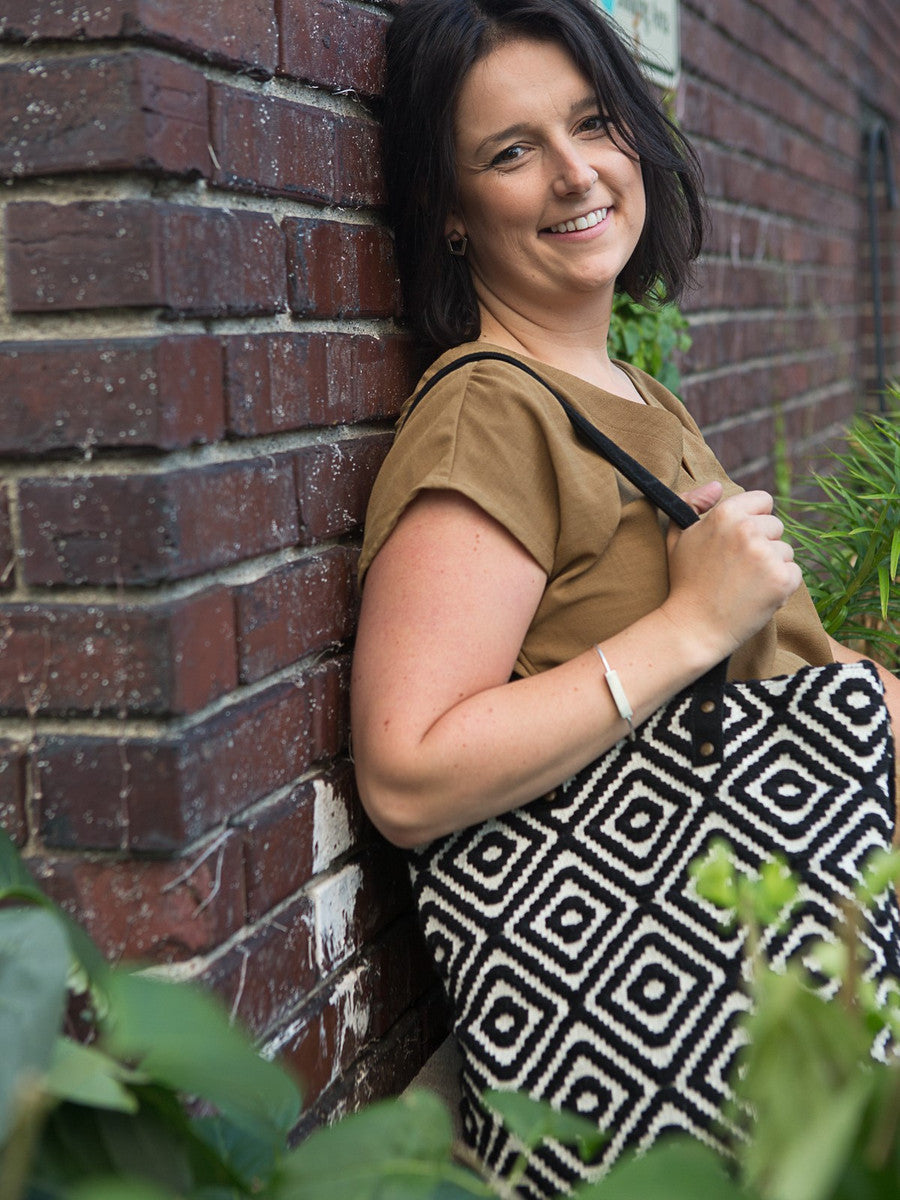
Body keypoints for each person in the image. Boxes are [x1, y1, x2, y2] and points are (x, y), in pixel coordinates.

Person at [350, 0, 900, 1193]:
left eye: (593, 123)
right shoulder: (493, 413)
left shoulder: (633, 398)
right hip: (720, 1010)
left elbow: (761, 680)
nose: (574, 172)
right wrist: (690, 624)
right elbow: (407, 771)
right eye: (511, 150)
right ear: (449, 210)